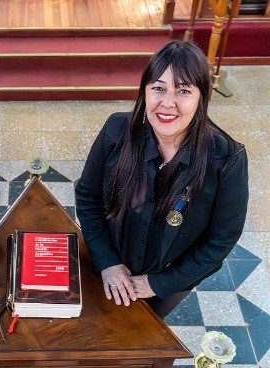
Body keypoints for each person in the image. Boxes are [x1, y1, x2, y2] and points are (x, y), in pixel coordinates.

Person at [75, 40, 248, 318]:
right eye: (158, 88)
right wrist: (107, 261)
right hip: (109, 261)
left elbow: (221, 240)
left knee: (147, 332)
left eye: (183, 91)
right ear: (144, 91)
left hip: (170, 281)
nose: (168, 103)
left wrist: (159, 283)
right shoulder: (116, 130)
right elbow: (87, 197)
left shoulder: (227, 159)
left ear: (202, 97)